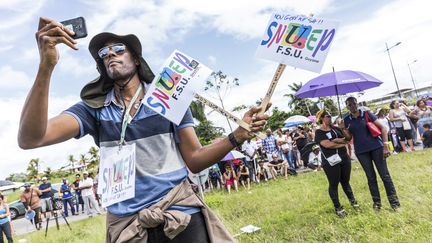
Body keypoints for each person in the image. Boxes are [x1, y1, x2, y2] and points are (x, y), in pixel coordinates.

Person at [18, 17, 269, 242]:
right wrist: (46, 66)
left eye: (118, 49)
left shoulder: (170, 99)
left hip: (179, 211)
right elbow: (31, 139)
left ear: (136, 59)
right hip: (128, 225)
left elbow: (194, 160)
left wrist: (237, 136)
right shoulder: (94, 109)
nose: (110, 55)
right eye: (104, 53)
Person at [343, 97, 400, 211]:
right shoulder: (346, 119)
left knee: (385, 176)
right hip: (361, 152)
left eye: (354, 104)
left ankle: (395, 204)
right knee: (370, 178)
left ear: (357, 103)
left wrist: (385, 146)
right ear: (347, 106)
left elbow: (383, 128)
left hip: (376, 148)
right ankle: (377, 204)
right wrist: (343, 130)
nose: (352, 106)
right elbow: (349, 138)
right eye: (349, 105)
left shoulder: (366, 114)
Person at [315, 110, 358, 217]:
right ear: (322, 118)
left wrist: (343, 128)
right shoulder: (319, 132)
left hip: (344, 158)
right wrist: (340, 142)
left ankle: (353, 202)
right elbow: (327, 145)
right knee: (334, 184)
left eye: (330, 116)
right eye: (327, 116)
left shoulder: (336, 128)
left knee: (346, 182)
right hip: (330, 161)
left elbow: (348, 138)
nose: (330, 118)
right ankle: (338, 208)